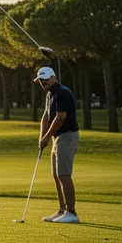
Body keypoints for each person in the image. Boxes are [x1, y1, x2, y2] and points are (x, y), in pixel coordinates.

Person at [35, 66, 80, 223]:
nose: (43, 83)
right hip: (57, 138)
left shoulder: (63, 93)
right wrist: (42, 137)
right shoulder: (50, 94)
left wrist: (46, 137)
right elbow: (46, 117)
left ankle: (71, 212)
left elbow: (60, 118)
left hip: (67, 136)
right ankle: (62, 210)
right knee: (56, 175)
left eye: (45, 80)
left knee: (64, 175)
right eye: (41, 81)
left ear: (53, 78)